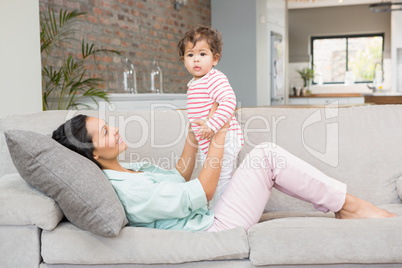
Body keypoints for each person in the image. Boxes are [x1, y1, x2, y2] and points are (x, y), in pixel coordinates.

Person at [52, 114, 396, 233]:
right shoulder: (126, 190)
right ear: (95, 153)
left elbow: (178, 179)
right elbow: (200, 193)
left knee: (253, 154)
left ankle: (345, 205)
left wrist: (192, 135)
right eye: (106, 132)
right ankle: (349, 207)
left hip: (209, 213)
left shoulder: (129, 170)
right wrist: (217, 135)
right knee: (267, 155)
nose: (116, 130)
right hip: (213, 227)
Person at [177, 25, 243, 208]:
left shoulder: (214, 78)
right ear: (184, 60)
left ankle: (224, 212)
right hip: (208, 139)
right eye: (190, 55)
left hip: (224, 137)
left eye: (202, 54)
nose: (196, 59)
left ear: (215, 59)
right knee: (211, 177)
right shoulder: (194, 83)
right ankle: (217, 209)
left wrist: (213, 125)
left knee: (221, 178)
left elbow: (229, 101)